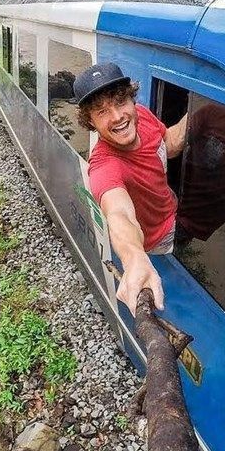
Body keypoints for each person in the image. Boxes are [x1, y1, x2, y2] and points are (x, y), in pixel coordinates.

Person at [75, 62, 187, 312]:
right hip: (164, 238)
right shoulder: (105, 166)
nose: (117, 117)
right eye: (102, 112)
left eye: (120, 102)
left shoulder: (143, 117)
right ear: (90, 122)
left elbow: (169, 144)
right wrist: (134, 257)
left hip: (173, 207)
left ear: (132, 101)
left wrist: (201, 110)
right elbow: (119, 213)